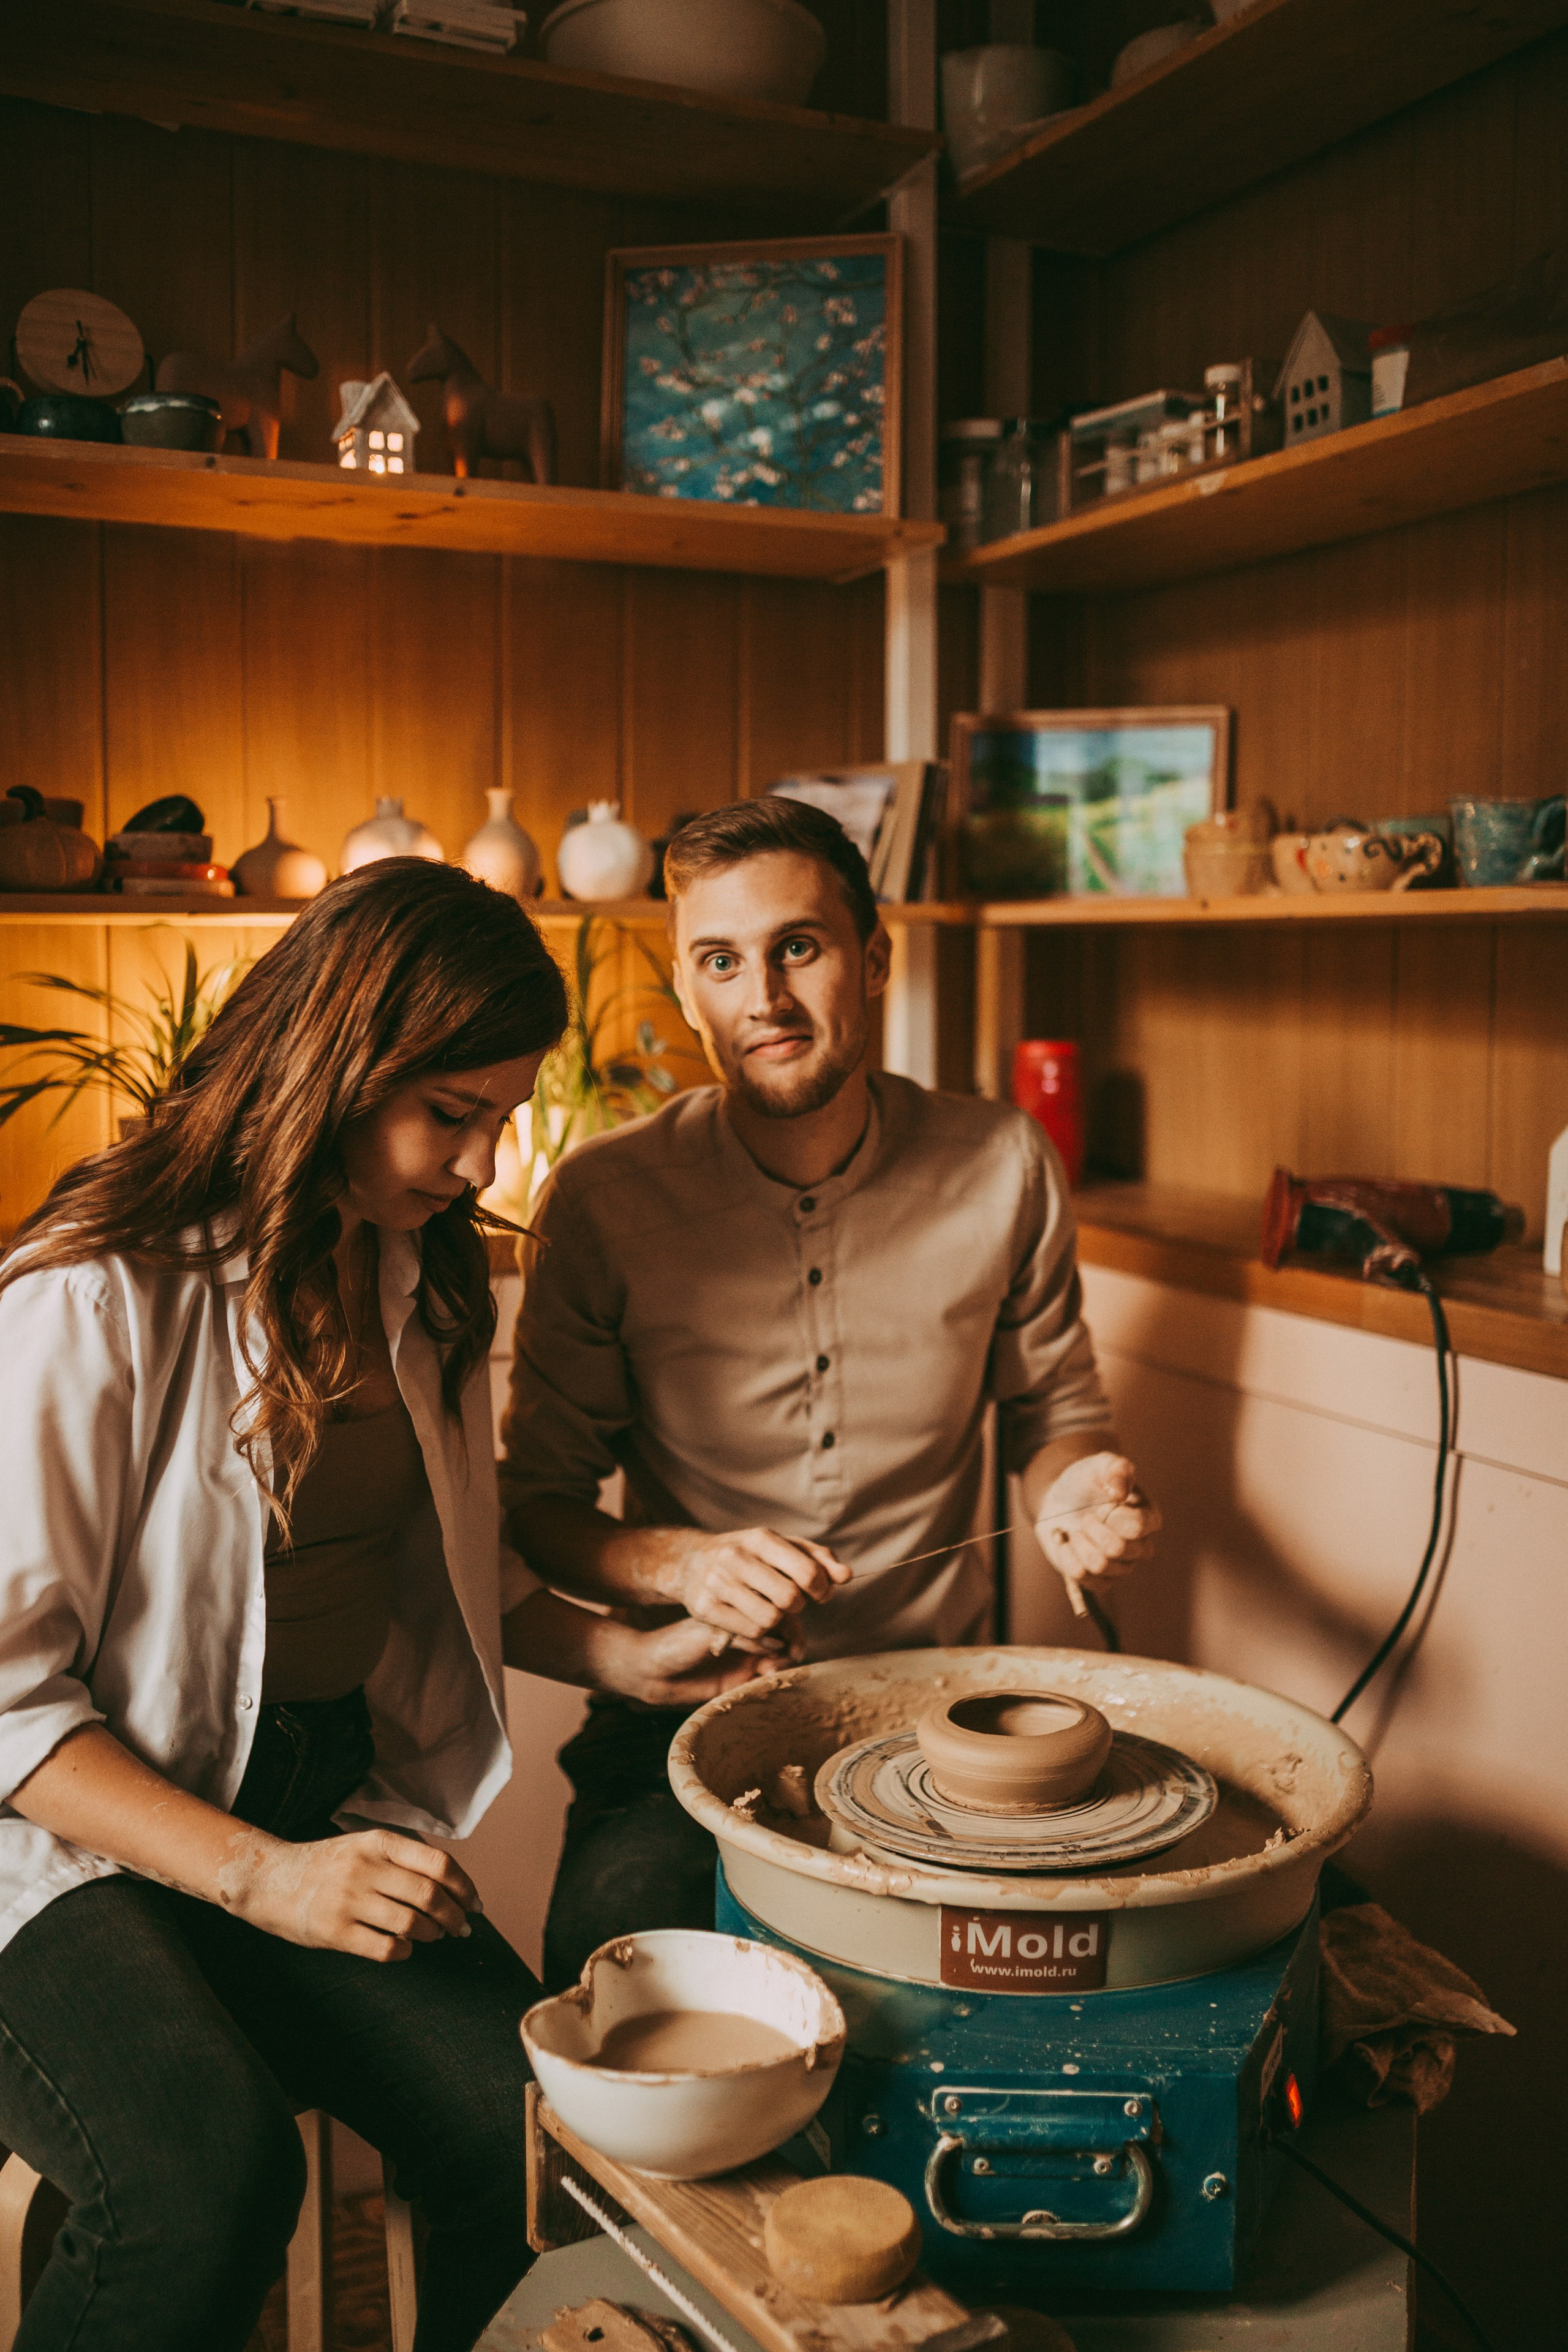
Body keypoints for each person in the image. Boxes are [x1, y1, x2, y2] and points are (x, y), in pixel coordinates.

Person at [0, 860, 753, 2352]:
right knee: (207, 2181)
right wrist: (263, 1879)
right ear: (335, 1065)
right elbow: (6, 1705)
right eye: (452, 1113)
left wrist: (623, 1653)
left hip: (315, 1805)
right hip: (62, 1842)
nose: (482, 1161)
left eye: (502, 1114)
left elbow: (426, 1583)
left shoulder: (422, 1277)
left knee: (547, 2141)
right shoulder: (96, 1292)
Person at [499, 799, 1161, 1991]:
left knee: (1071, 1981)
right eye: (720, 960)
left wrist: (1083, 1486)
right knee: (608, 1980)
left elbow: (1057, 1414)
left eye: (796, 947)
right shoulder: (600, 1204)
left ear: (872, 959)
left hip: (948, 1706)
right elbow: (536, 1506)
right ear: (688, 985)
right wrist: (681, 1567)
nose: (763, 996)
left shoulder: (1002, 1163)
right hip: (684, 1708)